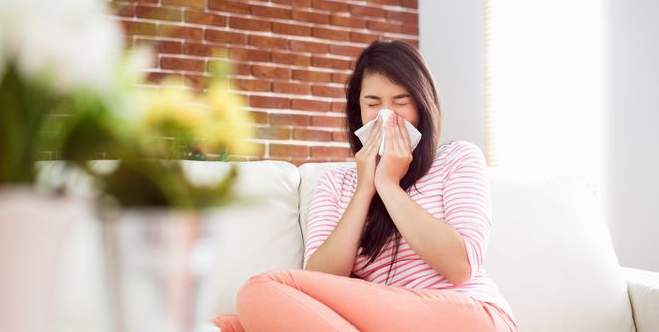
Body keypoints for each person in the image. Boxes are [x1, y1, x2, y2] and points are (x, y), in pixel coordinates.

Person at [212, 40, 518, 332]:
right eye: (373, 103)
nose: (387, 116)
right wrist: (364, 189)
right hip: (383, 322)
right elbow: (321, 283)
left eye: (401, 101)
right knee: (231, 322)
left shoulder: (457, 159)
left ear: (423, 107)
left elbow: (459, 266)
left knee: (261, 292)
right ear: (357, 111)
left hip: (469, 315)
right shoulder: (336, 183)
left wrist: (388, 184)